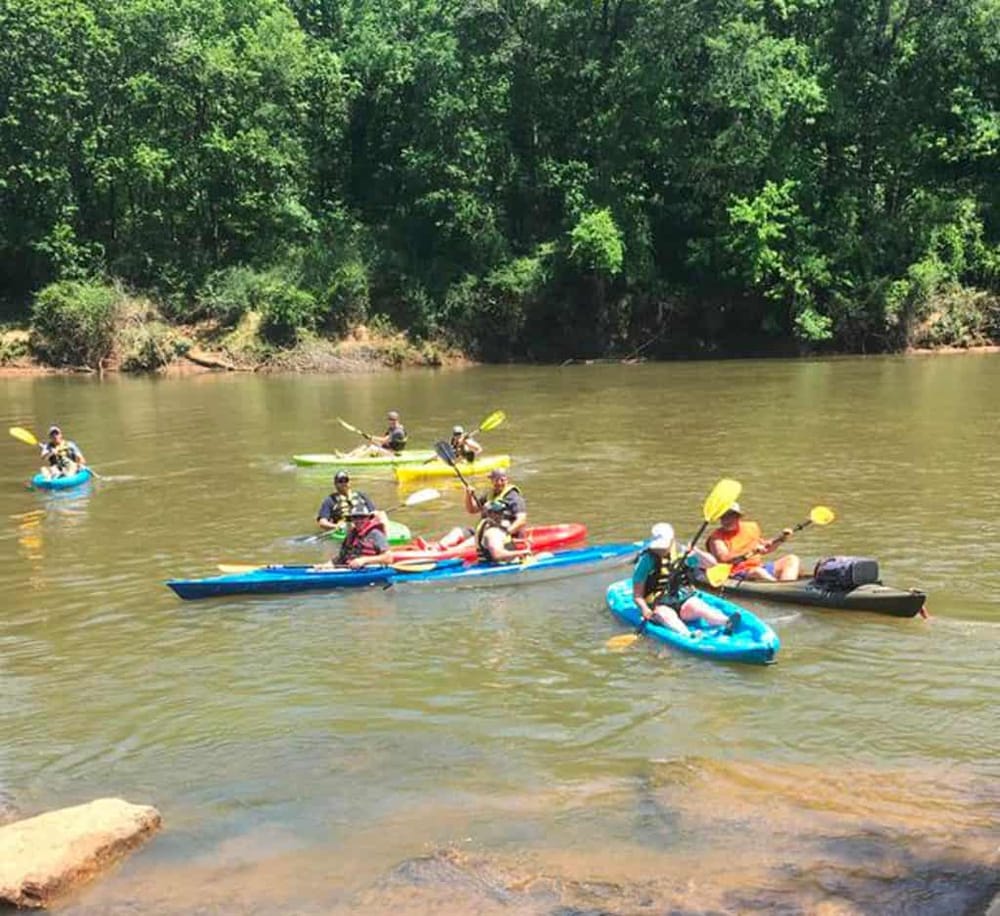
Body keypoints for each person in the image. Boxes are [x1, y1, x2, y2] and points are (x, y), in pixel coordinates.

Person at [633, 523, 739, 637]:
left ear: (672, 541)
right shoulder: (646, 560)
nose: (661, 550)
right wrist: (645, 609)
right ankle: (688, 634)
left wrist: (696, 551)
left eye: (664, 546)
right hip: (658, 605)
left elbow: (712, 564)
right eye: (659, 547)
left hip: (681, 600)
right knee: (666, 615)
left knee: (697, 605)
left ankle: (725, 622)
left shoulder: (683, 553)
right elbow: (637, 595)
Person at [706, 502, 801, 582]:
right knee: (758, 572)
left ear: (738, 517)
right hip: (735, 572)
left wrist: (782, 538)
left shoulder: (751, 527)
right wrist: (750, 551)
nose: (727, 520)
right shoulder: (716, 537)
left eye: (731, 516)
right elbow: (723, 559)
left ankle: (787, 585)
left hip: (758, 567)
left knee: (792, 559)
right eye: (723, 516)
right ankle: (781, 589)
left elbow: (765, 548)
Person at [437, 467, 526, 549]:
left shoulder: (514, 497)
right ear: (491, 480)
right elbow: (472, 510)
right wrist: (469, 495)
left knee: (478, 538)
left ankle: (454, 551)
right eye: (495, 480)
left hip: (500, 535)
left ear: (506, 480)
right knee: (458, 531)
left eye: (501, 480)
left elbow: (521, 520)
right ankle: (439, 547)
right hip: (484, 531)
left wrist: (505, 533)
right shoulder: (489, 495)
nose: (498, 483)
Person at [317, 504, 393, 569]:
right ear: (352, 519)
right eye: (355, 517)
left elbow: (388, 558)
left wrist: (364, 560)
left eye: (362, 517)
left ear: (368, 518)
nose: (358, 521)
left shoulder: (376, 534)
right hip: (349, 570)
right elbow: (341, 557)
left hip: (369, 571)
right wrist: (328, 565)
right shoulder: (351, 535)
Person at [316, 470, 376, 535]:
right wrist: (336, 526)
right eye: (340, 481)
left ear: (350, 482)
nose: (344, 483)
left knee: (381, 514)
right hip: (347, 527)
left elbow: (374, 512)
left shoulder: (361, 495)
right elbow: (322, 522)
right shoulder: (330, 500)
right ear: (335, 484)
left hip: (364, 523)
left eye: (346, 480)